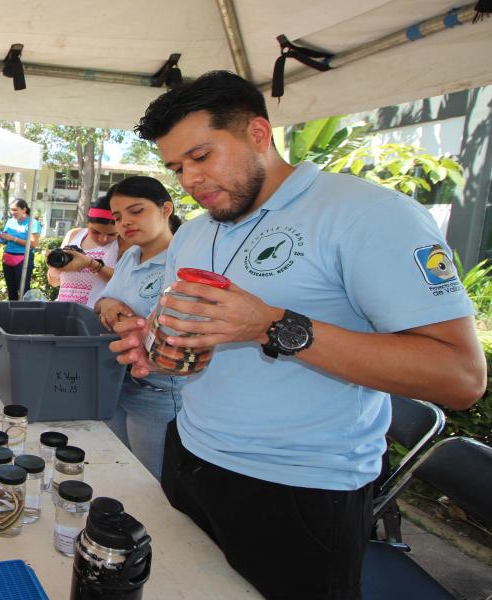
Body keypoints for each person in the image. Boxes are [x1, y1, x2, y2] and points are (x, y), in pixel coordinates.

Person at [110, 70, 485, 598]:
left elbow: (460, 376)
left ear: (258, 133)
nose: (189, 179)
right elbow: (193, 336)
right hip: (191, 455)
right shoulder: (194, 232)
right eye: (176, 167)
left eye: (202, 156)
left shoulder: (367, 215)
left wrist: (272, 324)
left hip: (300, 486)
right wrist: (158, 347)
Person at [93, 177, 183, 480]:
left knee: (150, 480)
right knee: (118, 468)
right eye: (118, 217)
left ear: (165, 209)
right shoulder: (131, 255)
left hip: (158, 389)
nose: (125, 223)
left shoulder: (182, 261)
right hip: (118, 381)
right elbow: (105, 301)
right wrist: (107, 306)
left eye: (136, 211)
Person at [46, 195, 124, 308]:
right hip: (64, 312)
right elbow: (54, 282)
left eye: (111, 234)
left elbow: (124, 284)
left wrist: (90, 264)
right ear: (88, 223)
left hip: (95, 317)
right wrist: (56, 266)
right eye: (95, 232)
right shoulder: (74, 235)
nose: (103, 239)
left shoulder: (122, 243)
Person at [0, 198, 42, 300]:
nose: (12, 212)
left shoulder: (33, 223)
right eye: (11, 210)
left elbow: (33, 244)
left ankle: (23, 313)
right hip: (8, 257)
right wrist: (0, 238)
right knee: (11, 289)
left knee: (23, 290)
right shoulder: (10, 221)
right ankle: (11, 313)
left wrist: (13, 238)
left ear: (24, 209)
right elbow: (6, 238)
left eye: (15, 210)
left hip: (24, 259)